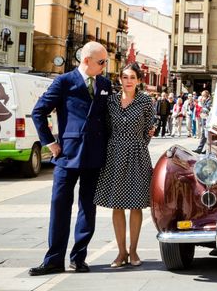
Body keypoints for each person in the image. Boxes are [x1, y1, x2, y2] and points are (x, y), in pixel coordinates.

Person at [29, 42, 112, 276]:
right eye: (101, 62)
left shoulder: (105, 84)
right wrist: (50, 142)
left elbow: (109, 116)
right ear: (86, 60)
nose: (105, 66)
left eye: (105, 62)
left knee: (88, 208)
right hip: (66, 155)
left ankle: (79, 258)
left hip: (94, 155)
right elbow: (39, 111)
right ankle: (54, 259)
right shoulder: (64, 82)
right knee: (59, 207)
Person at [94, 63, 155, 268]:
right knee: (117, 204)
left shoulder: (146, 101)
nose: (128, 81)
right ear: (120, 79)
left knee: (136, 204)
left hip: (137, 153)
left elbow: (148, 129)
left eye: (132, 77)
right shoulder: (110, 101)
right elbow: (106, 127)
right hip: (114, 154)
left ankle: (134, 251)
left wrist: (135, 145)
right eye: (125, 77)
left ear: (138, 80)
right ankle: (121, 252)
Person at [192, 90, 211, 154]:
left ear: (206, 95)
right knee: (204, 135)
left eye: (203, 95)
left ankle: (205, 149)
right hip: (204, 119)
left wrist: (202, 104)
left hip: (207, 120)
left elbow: (207, 109)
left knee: (205, 135)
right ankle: (202, 149)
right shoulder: (205, 101)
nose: (202, 97)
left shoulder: (209, 101)